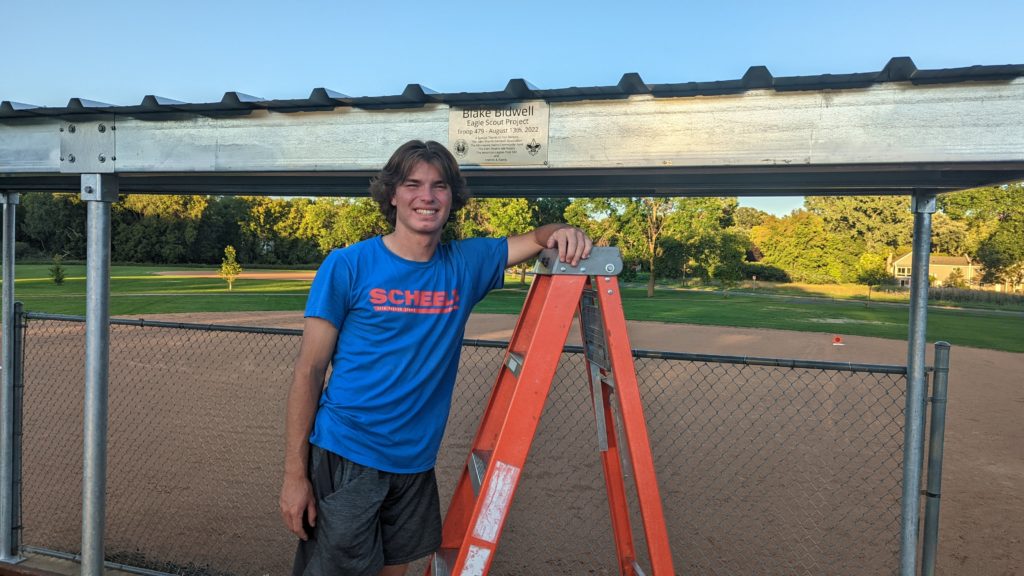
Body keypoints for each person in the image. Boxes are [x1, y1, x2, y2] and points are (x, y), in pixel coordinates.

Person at [279, 140, 592, 576]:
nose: (427, 196)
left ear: (452, 198)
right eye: (413, 184)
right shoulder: (348, 265)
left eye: (439, 186)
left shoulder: (464, 264)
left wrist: (562, 231)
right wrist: (296, 475)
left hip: (414, 464)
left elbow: (538, 239)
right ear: (392, 195)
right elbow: (309, 371)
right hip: (347, 453)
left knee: (396, 570)